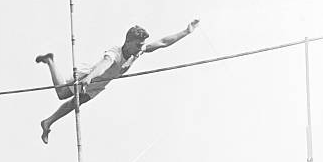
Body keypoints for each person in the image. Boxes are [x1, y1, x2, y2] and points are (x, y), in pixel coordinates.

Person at [36, 20, 200, 143]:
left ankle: (48, 122)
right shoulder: (115, 53)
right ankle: (50, 60)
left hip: (100, 85)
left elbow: (163, 42)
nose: (140, 48)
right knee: (62, 93)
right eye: (138, 45)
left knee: (74, 104)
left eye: (142, 45)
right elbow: (102, 66)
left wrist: (186, 31)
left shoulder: (138, 51)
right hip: (89, 77)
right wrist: (89, 78)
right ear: (128, 43)